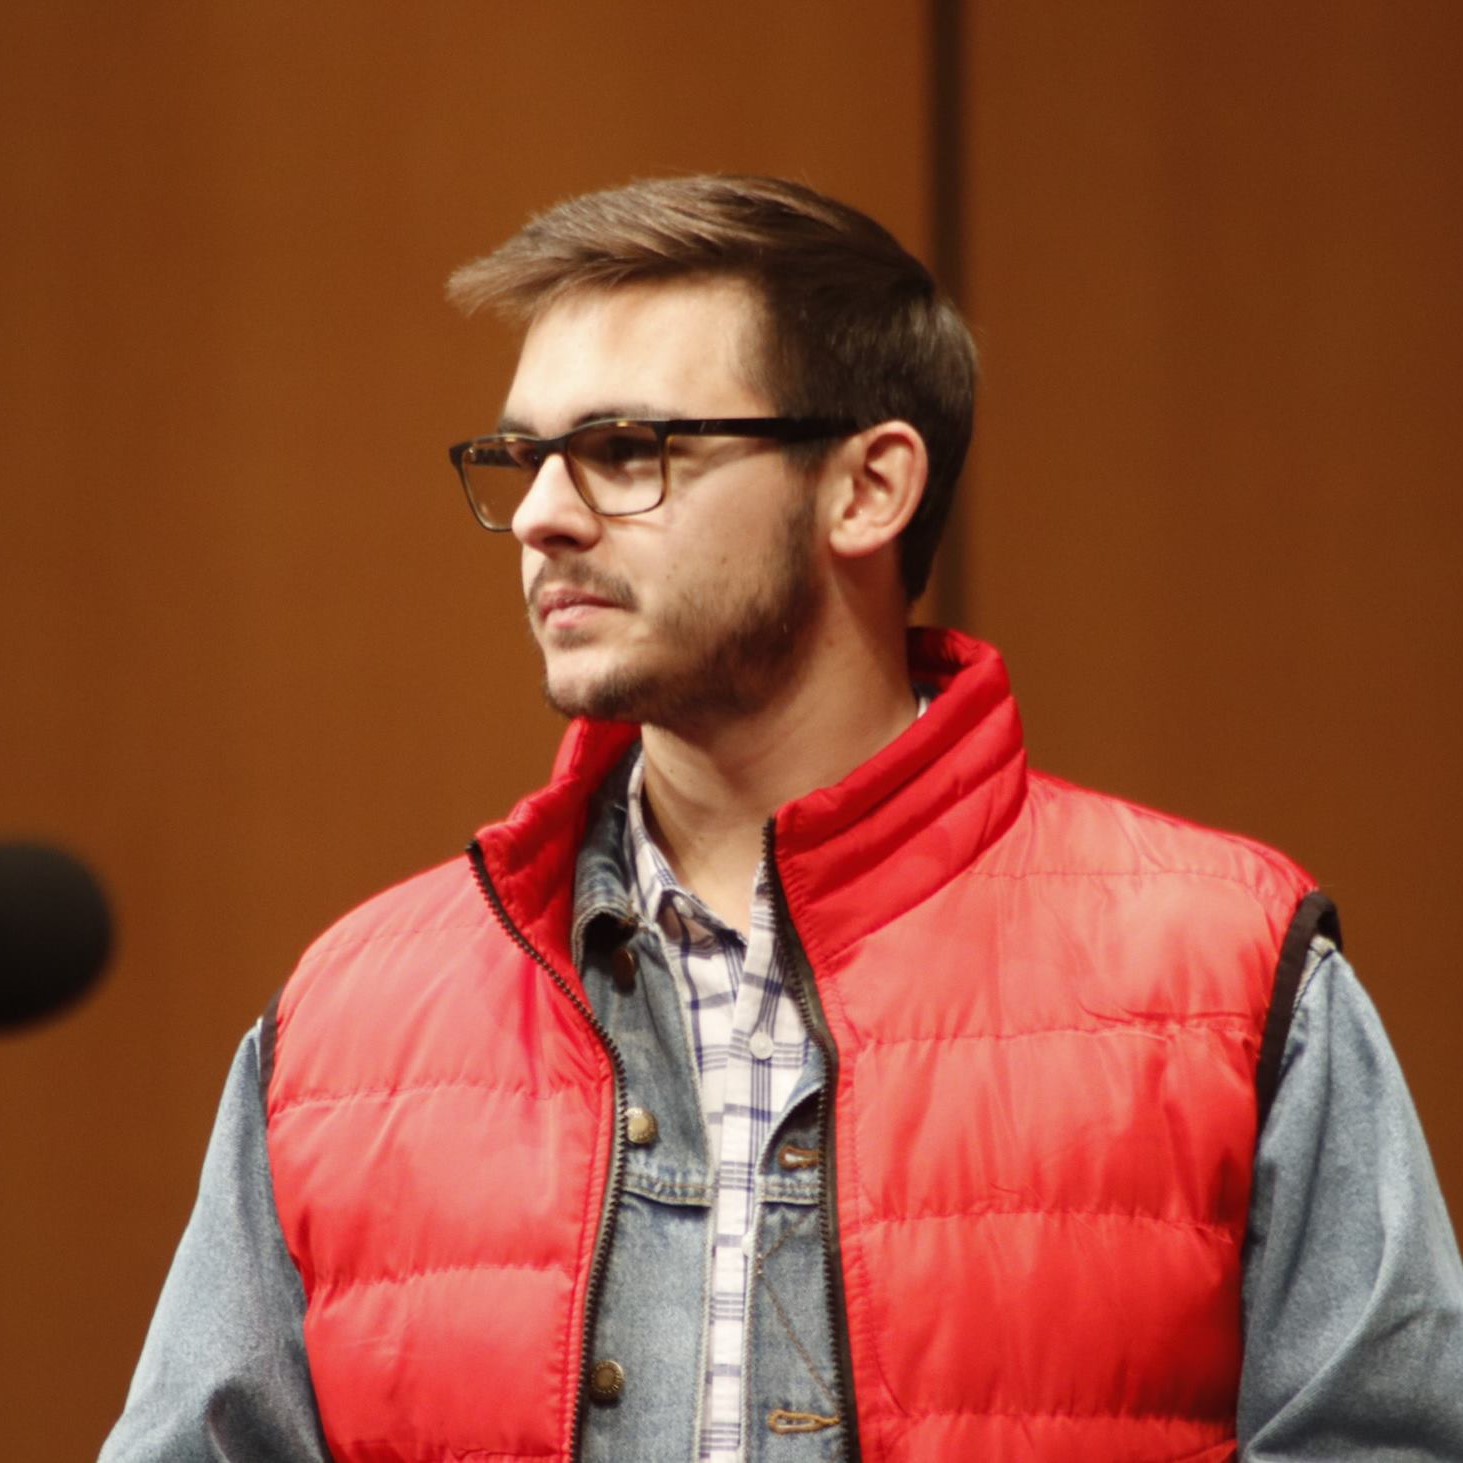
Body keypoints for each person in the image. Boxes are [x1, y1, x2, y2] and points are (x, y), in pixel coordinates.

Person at [102, 175, 1463, 1463]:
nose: (541, 517)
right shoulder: (348, 1024)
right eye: (523, 459)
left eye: (625, 449)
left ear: (868, 488)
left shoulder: (1227, 974)